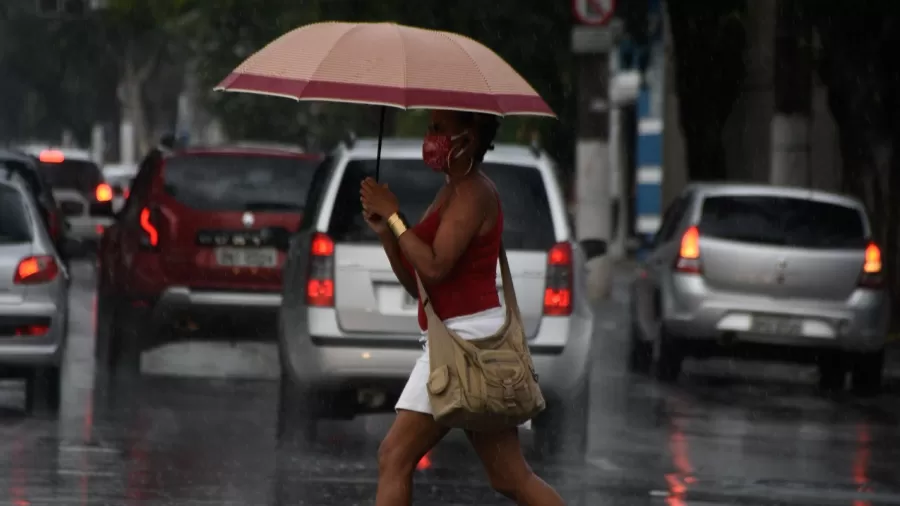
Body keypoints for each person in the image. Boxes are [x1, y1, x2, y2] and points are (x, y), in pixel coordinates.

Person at [360, 110, 566, 506]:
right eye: (430, 128)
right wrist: (388, 232)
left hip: (466, 346)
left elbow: (436, 266)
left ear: (467, 140)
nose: (430, 137)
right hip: (459, 341)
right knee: (510, 478)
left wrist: (395, 216)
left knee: (394, 456)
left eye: (439, 129)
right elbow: (419, 280)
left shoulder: (474, 193)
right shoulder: (452, 189)